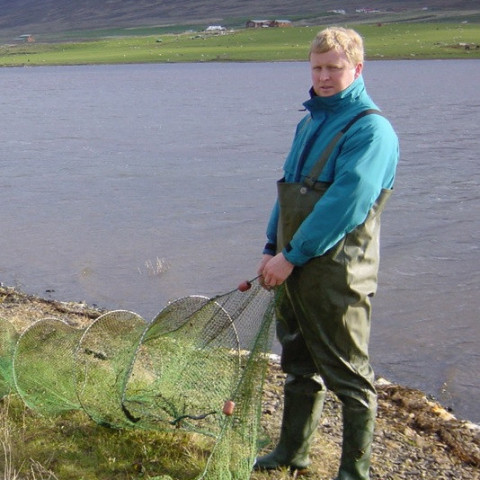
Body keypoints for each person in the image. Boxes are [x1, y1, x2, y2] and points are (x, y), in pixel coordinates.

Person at [254, 27, 399, 480]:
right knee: (297, 365)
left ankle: (355, 474)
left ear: (357, 68)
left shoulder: (371, 130)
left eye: (334, 67)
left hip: (339, 272)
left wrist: (292, 256)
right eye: (317, 67)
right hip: (292, 264)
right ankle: (291, 453)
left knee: (350, 378)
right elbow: (287, 191)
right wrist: (270, 247)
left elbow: (346, 204)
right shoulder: (310, 120)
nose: (324, 76)